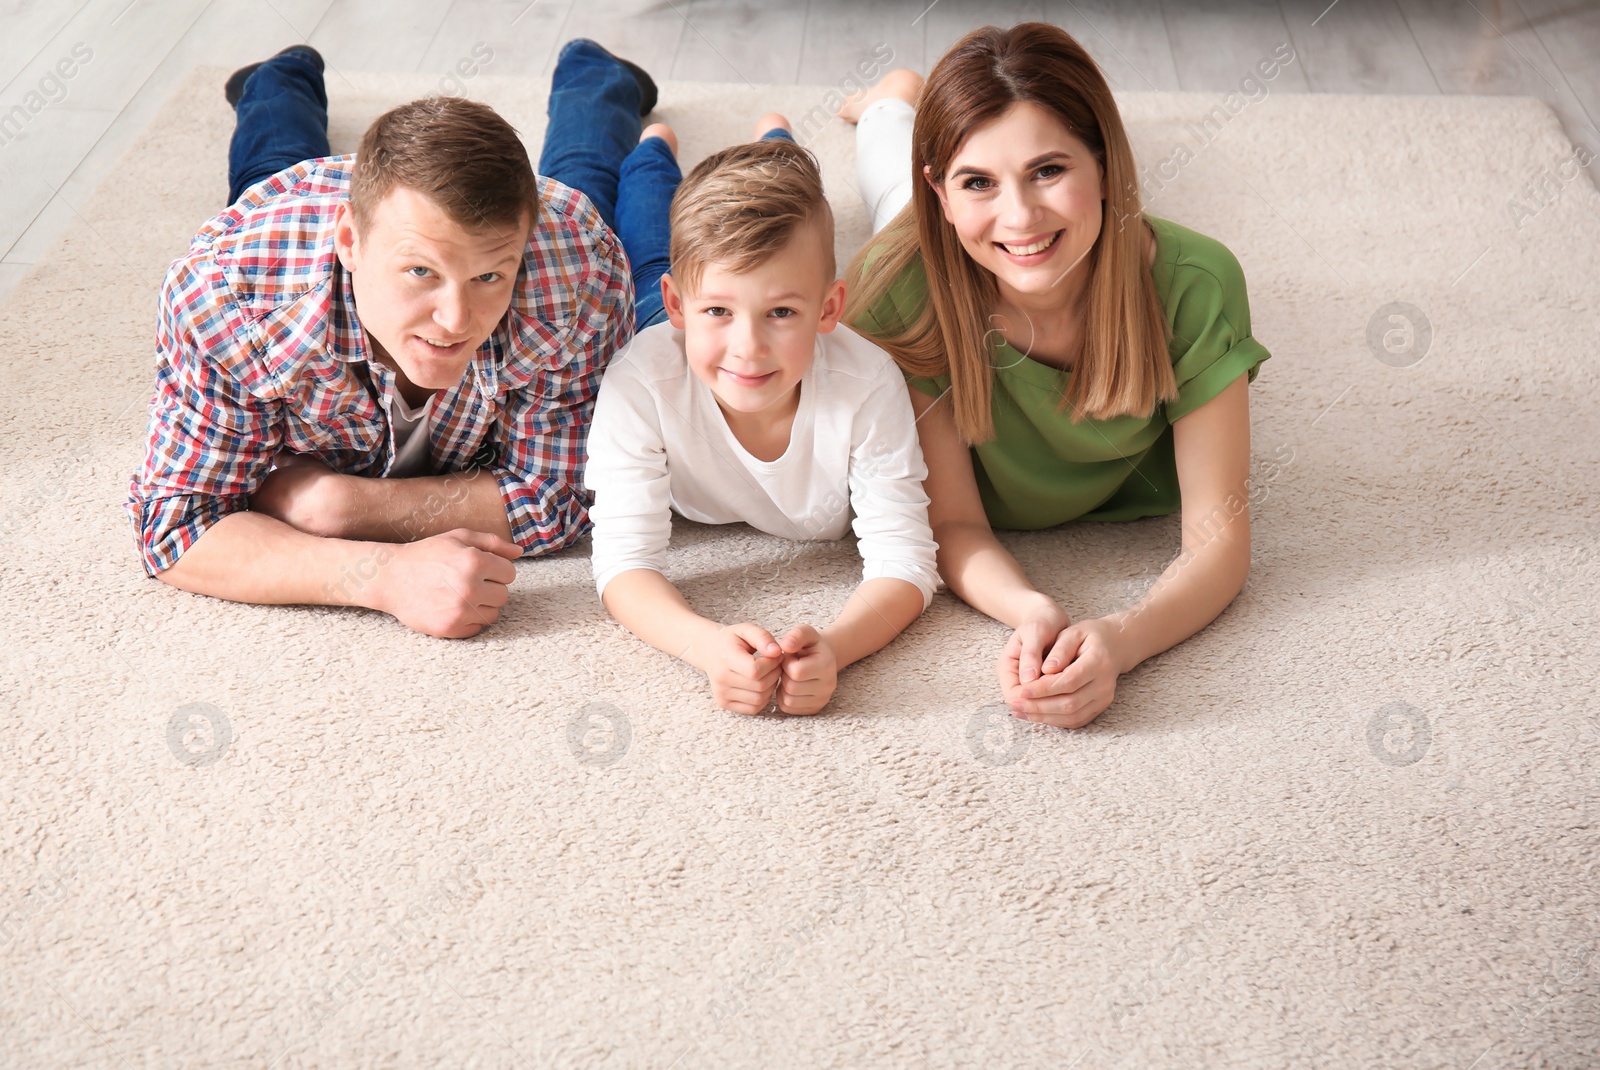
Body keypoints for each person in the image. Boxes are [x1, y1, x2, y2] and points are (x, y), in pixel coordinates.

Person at [126, 40, 665, 639]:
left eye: (489, 277)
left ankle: (599, 76)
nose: (457, 319)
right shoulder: (230, 298)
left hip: (544, 236)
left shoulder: (578, 275)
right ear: (350, 244)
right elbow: (177, 525)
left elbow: (563, 496)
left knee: (586, 179)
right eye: (422, 273)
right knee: (271, 163)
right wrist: (381, 576)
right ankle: (279, 78)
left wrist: (337, 508)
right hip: (296, 242)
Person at [840, 24, 1273, 729]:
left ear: (1103, 163)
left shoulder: (1197, 283)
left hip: (982, 244)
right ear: (943, 195)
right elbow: (949, 520)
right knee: (889, 185)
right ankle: (894, 103)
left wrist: (1121, 640)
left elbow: (1219, 538)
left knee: (955, 206)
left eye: (1049, 170)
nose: (1021, 215)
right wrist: (1031, 609)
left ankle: (909, 114)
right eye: (977, 181)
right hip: (930, 255)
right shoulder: (894, 294)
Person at [583, 118, 940, 716]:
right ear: (684, 306)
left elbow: (906, 560)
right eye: (720, 310)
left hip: (695, 327)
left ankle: (776, 140)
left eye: (781, 312)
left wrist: (837, 647)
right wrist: (704, 646)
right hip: (663, 331)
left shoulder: (868, 383)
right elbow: (623, 564)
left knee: (775, 202)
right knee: (644, 241)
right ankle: (655, 147)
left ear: (829, 308)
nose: (748, 347)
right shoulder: (639, 382)